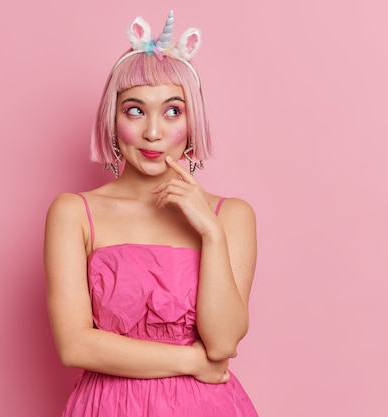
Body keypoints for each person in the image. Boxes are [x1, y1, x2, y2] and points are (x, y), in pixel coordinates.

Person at [44, 10, 259, 416]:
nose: (154, 133)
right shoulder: (73, 213)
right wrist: (190, 362)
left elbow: (223, 343)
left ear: (193, 123)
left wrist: (210, 233)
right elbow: (74, 345)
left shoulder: (231, 217)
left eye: (173, 111)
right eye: (135, 111)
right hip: (110, 407)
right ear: (112, 120)